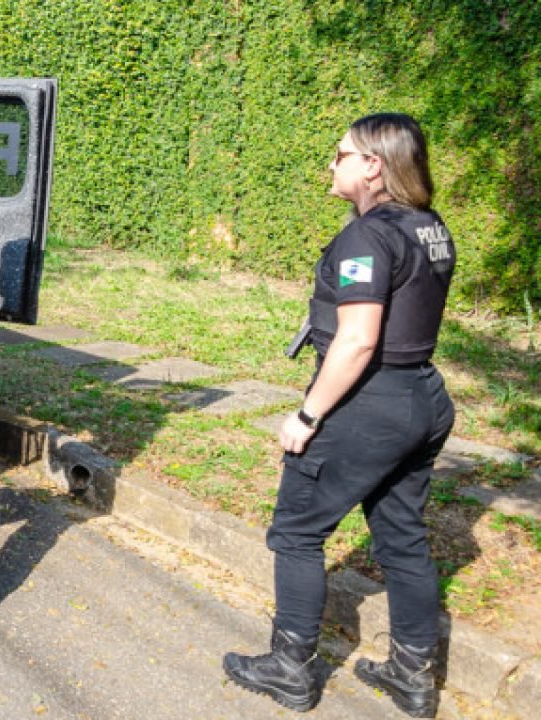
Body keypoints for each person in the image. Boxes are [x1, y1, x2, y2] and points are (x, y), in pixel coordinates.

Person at [222, 113, 456, 718]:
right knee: (402, 537)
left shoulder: (368, 236)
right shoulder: (429, 226)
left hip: (368, 404)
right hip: (424, 396)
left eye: (341, 154)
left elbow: (356, 341)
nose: (332, 164)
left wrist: (307, 414)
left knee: (297, 532)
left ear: (373, 164)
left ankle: (290, 669)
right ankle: (412, 675)